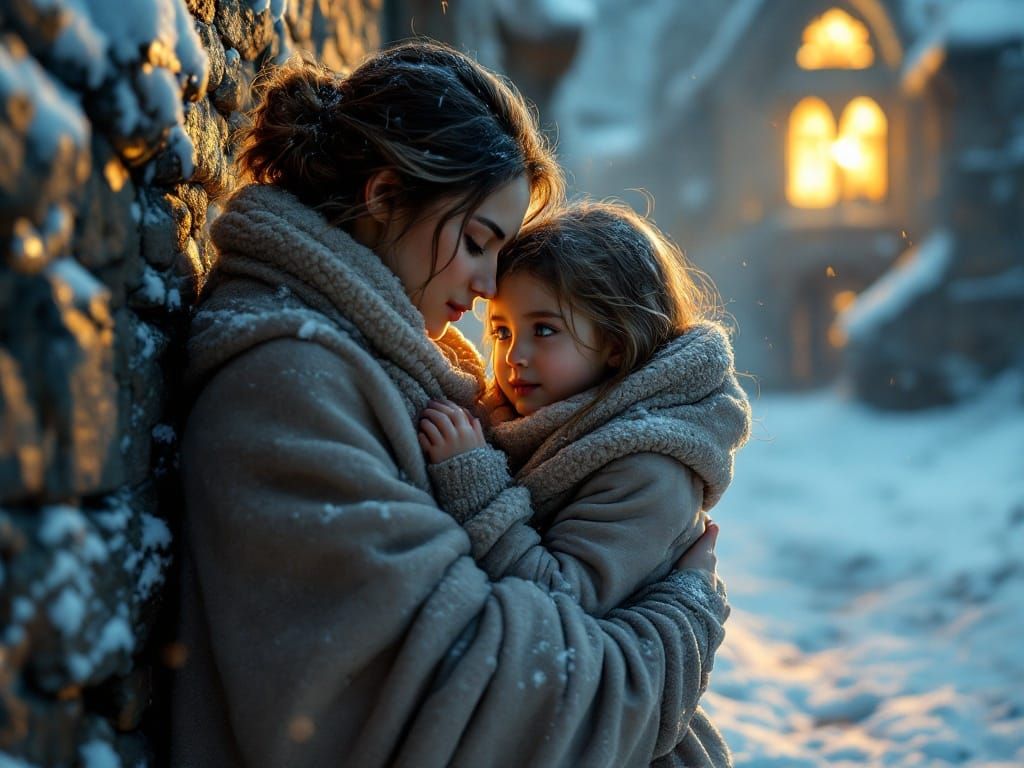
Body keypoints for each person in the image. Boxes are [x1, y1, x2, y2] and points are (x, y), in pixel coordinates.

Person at [173, 40, 731, 768]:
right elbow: (481, 704)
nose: (487, 283)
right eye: (475, 241)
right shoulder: (285, 390)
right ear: (384, 197)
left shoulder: (380, 361)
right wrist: (680, 625)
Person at [417, 201, 751, 766]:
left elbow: (563, 606)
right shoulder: (547, 427)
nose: (513, 356)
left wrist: (473, 482)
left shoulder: (647, 466)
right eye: (500, 330)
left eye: (543, 330)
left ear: (615, 344)